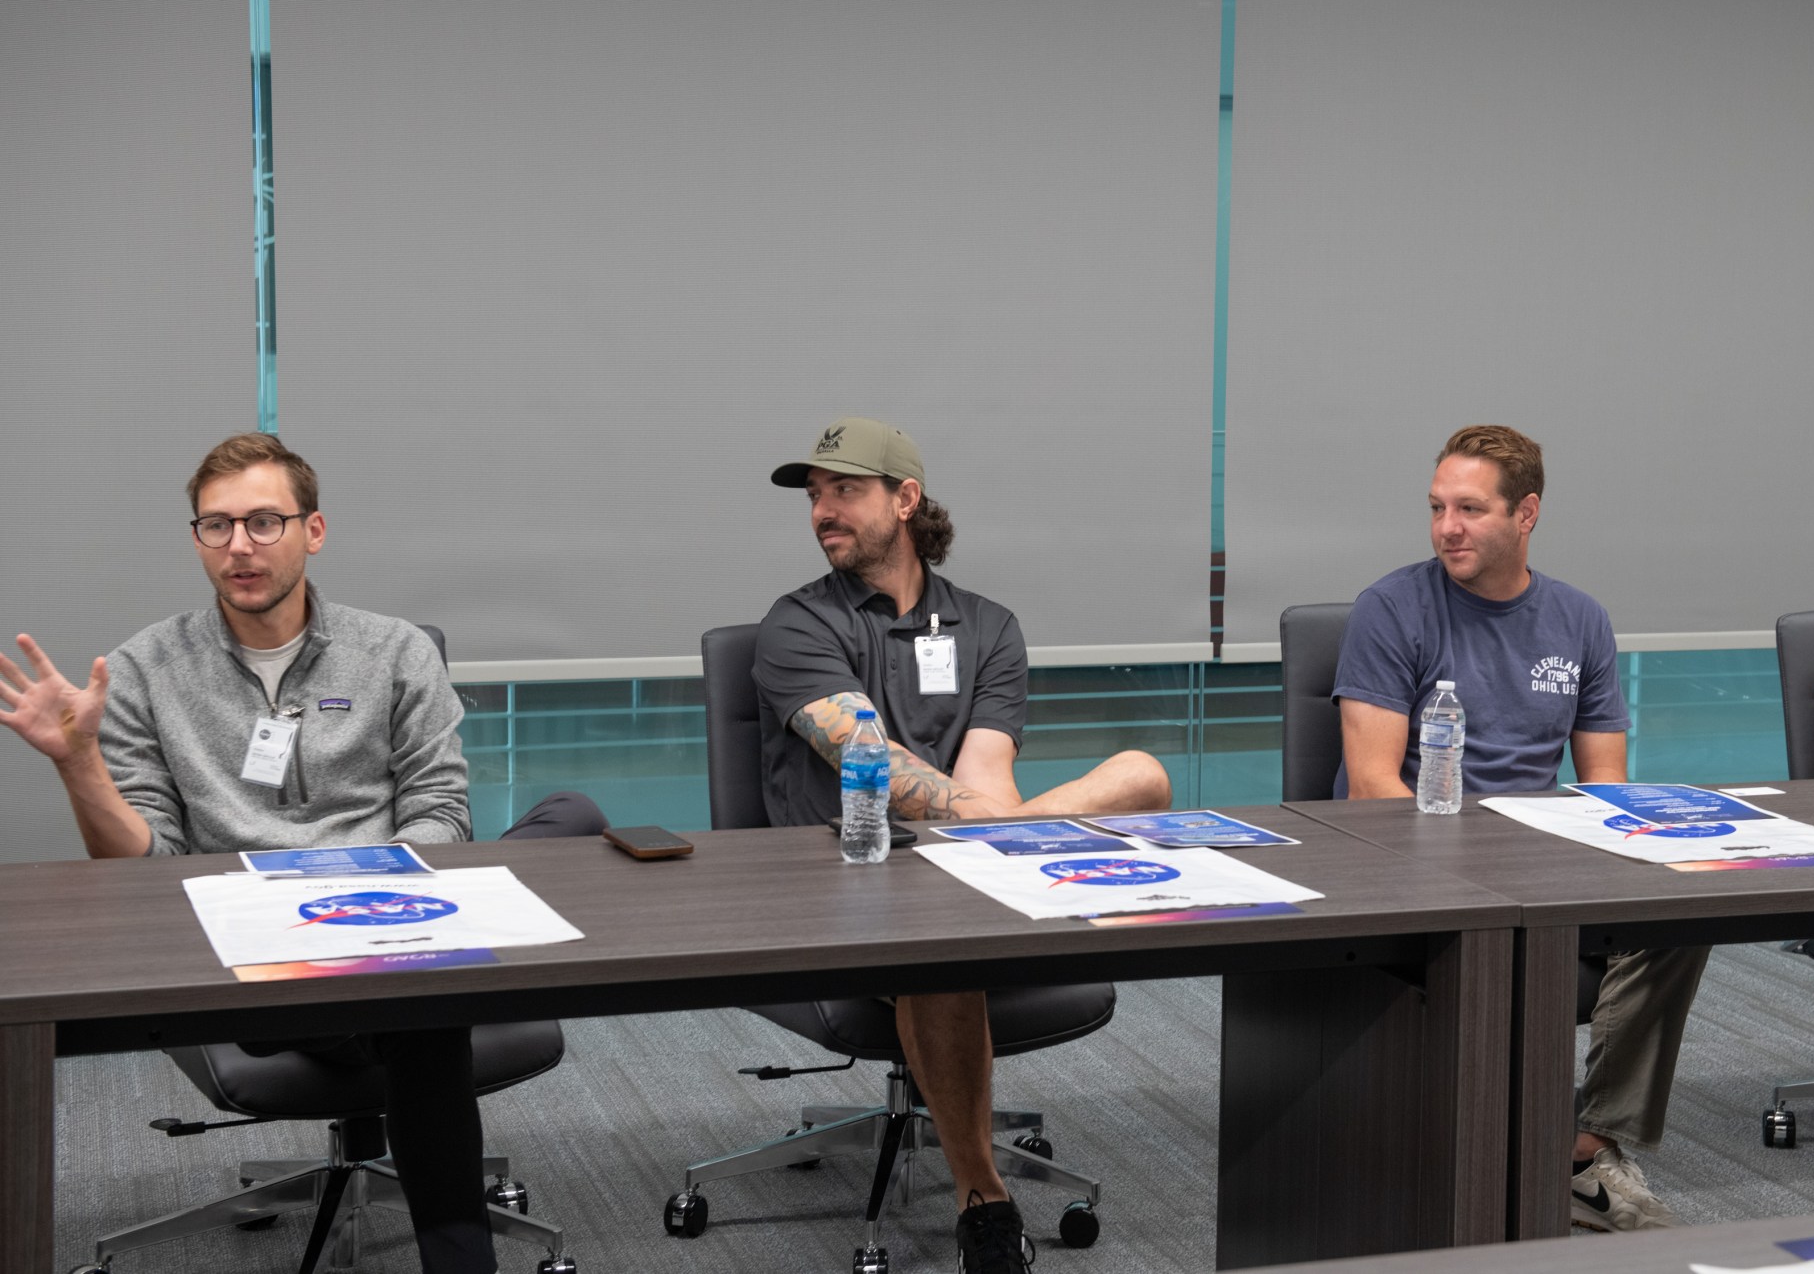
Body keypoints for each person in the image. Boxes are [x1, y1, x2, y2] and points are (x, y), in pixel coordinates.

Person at [0, 432, 606, 1274]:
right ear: (197, 538)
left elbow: (440, 812)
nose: (240, 545)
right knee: (427, 1014)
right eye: (217, 525)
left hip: (391, 920)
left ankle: (436, 976)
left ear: (312, 531)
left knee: (569, 818)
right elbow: (144, 867)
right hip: (251, 958)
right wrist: (79, 766)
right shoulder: (146, 667)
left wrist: (378, 905)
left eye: (262, 520)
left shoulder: (395, 652)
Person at [754, 416, 1172, 1273]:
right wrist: (1008, 837)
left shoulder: (986, 626)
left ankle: (994, 898)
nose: (822, 511)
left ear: (905, 499)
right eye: (815, 495)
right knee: (940, 947)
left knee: (1142, 772)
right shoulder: (795, 625)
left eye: (844, 490)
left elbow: (989, 778)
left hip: (963, 865)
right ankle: (984, 1195)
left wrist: (998, 843)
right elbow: (875, 763)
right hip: (841, 884)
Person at [1331, 423, 1709, 1233]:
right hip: (1410, 862)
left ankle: (1586, 1147)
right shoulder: (1391, 608)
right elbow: (1372, 787)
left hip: (1538, 863)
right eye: (1436, 507)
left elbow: (1606, 785)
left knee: (1682, 911)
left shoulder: (1578, 619)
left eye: (1469, 508)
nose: (1446, 528)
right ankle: (1458, 1162)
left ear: (1527, 513)